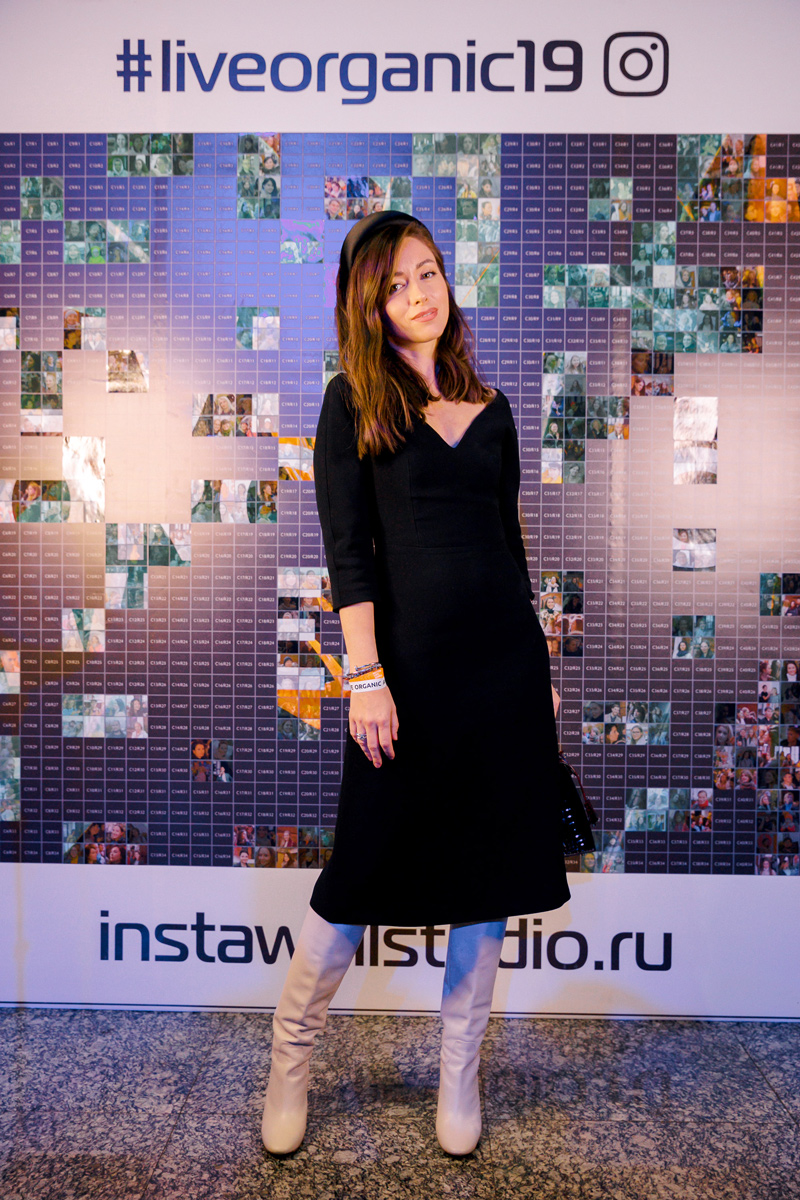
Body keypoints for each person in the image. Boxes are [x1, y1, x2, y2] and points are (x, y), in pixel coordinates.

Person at [261, 211, 568, 1159]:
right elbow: (348, 554)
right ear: (370, 304)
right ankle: (290, 1058)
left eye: (428, 272)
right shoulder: (353, 400)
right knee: (357, 874)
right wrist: (366, 678)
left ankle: (459, 1073)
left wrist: (540, 670)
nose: (419, 293)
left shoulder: (496, 408)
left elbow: (510, 549)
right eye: (395, 284)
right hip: (403, 681)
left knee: (490, 875)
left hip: (503, 675)